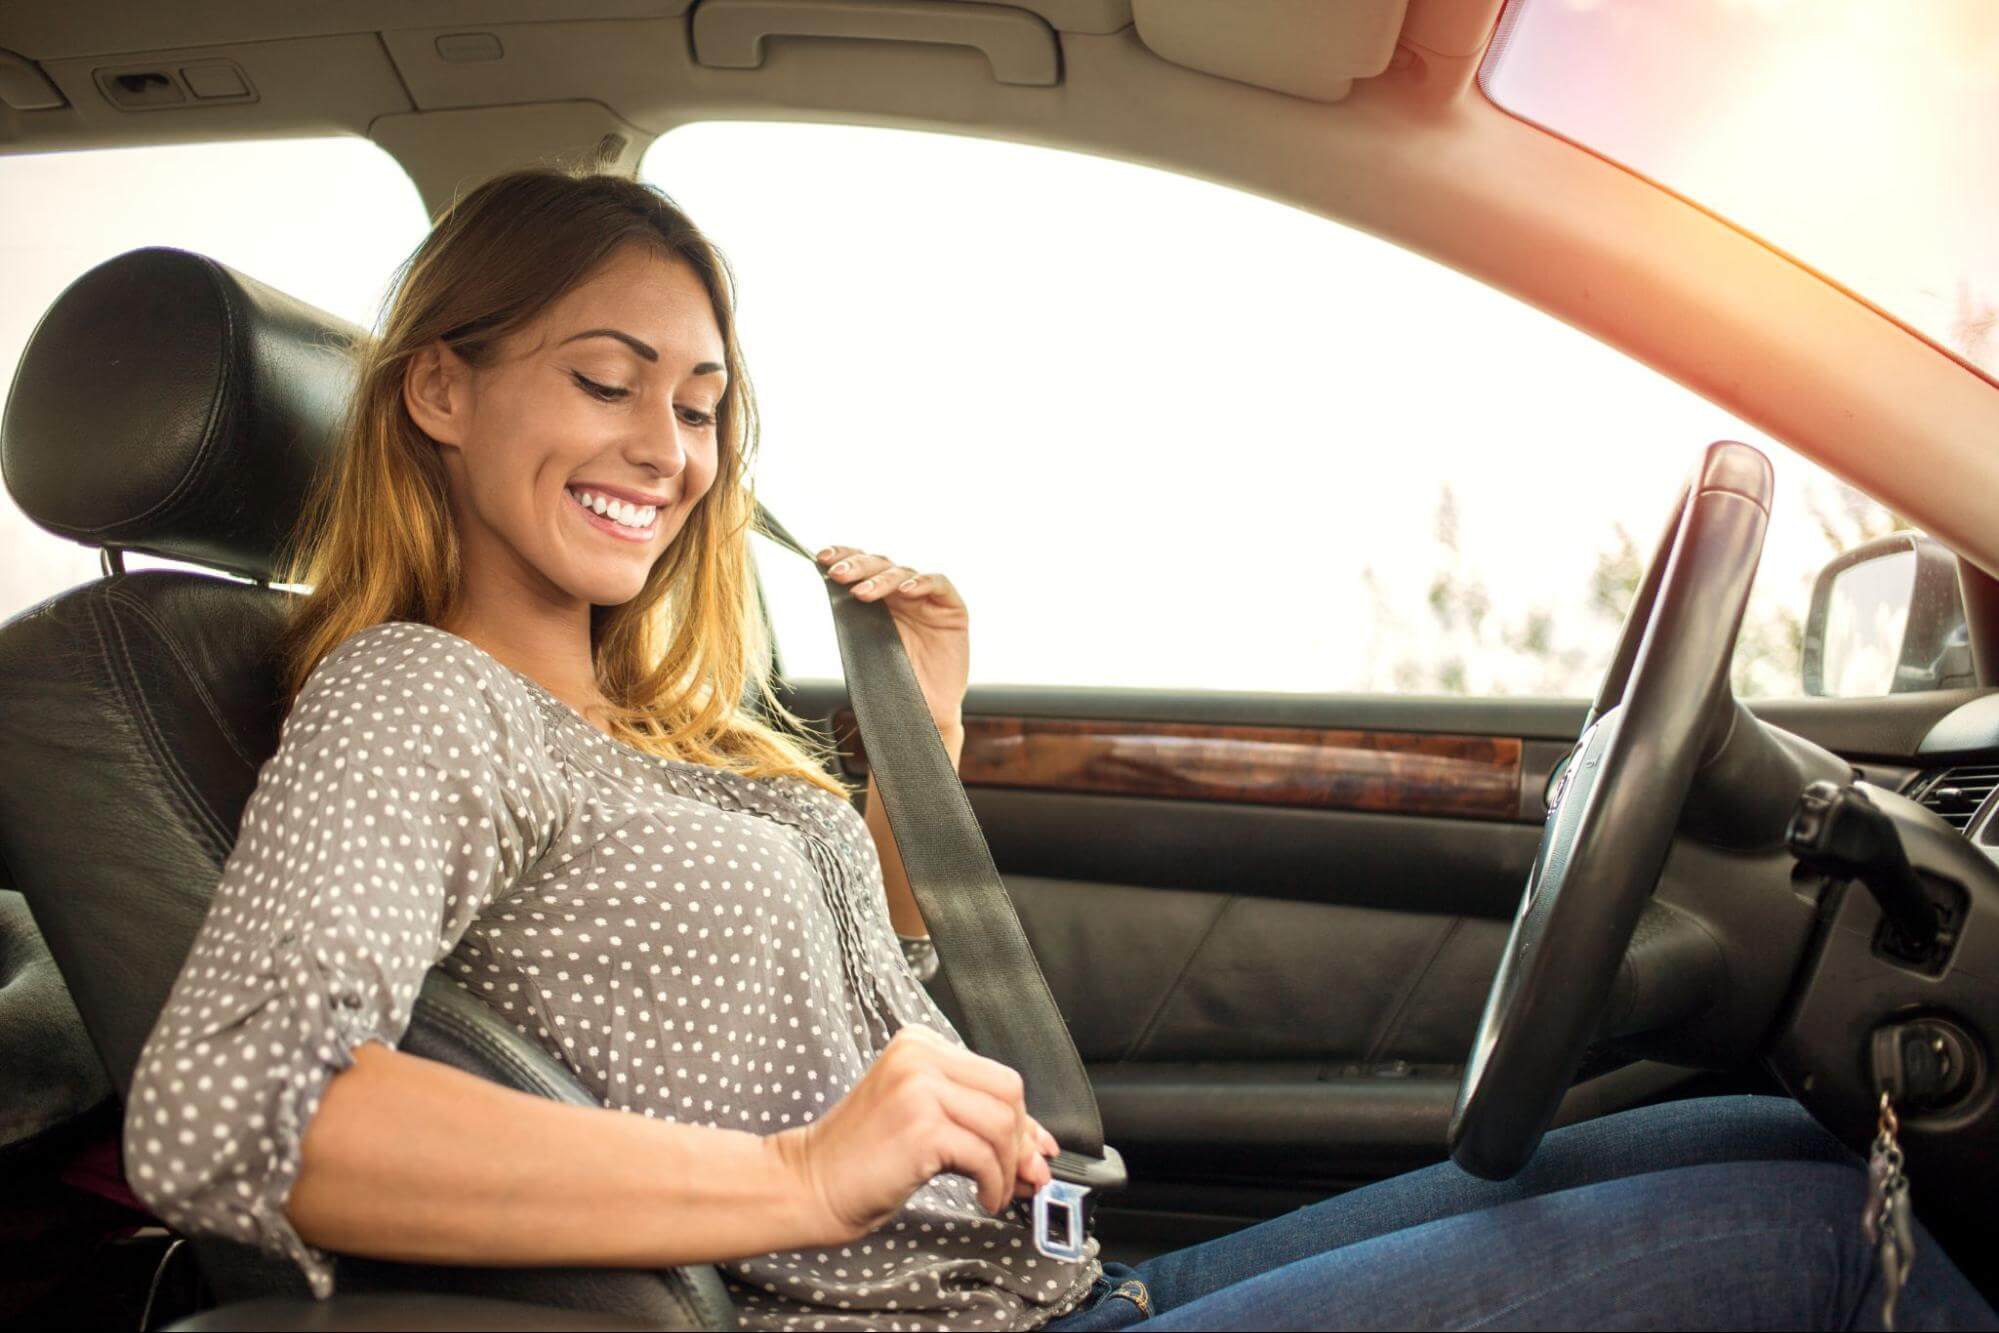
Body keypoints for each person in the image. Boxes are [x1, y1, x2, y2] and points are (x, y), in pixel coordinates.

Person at [122, 167, 1998, 1332]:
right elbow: (226, 1112)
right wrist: (795, 1177)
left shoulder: (637, 721)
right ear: (439, 387)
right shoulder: (416, 698)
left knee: (1765, 1127)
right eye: (603, 381)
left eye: (698, 407)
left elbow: (845, 1006)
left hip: (1044, 1285)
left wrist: (913, 747)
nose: (667, 451)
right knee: (1839, 1242)